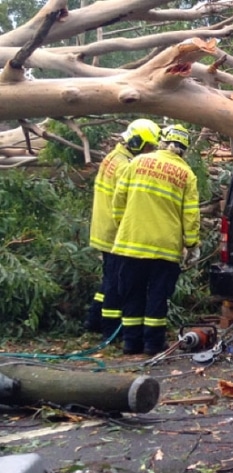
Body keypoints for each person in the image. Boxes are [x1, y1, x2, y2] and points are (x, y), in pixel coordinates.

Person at [111, 124, 200, 355]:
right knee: (158, 297)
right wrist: (192, 244)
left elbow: (119, 197)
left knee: (132, 293)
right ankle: (152, 344)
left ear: (162, 141)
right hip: (165, 248)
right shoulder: (187, 174)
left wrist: (123, 225)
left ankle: (131, 343)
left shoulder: (137, 162)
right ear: (184, 149)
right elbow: (190, 214)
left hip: (131, 244)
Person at [89, 118, 161, 338]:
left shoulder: (113, 157)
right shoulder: (125, 166)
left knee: (109, 279)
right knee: (115, 284)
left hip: (104, 229)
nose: (150, 151)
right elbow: (129, 204)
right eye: (149, 147)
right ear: (137, 142)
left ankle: (93, 320)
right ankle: (110, 330)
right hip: (115, 234)